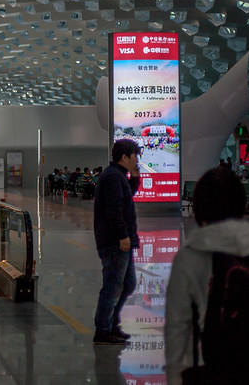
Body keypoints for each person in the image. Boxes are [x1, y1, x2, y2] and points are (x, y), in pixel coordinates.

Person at [164, 167, 249, 384]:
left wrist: (175, 376)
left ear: (199, 208)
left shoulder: (189, 258)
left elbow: (177, 330)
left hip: (214, 370)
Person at [93, 139, 141, 345]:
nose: (136, 160)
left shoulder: (118, 176)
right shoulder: (112, 177)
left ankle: (111, 324)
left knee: (128, 284)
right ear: (125, 157)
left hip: (122, 241)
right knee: (113, 286)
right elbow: (114, 209)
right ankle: (103, 330)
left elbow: (126, 196)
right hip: (115, 242)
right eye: (134, 156)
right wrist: (122, 235)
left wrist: (136, 179)